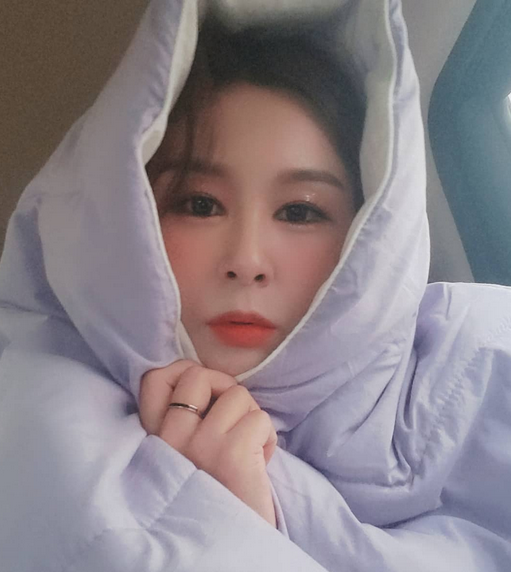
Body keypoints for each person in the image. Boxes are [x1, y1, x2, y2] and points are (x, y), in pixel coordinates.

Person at [0, 1, 510, 571]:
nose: (246, 261)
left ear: (369, 234)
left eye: (300, 211)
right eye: (199, 204)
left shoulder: (482, 367)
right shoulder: (31, 420)